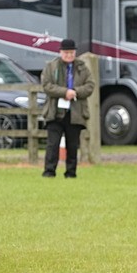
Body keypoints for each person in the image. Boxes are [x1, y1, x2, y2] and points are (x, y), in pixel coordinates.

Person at [41, 38, 95, 178]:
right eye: (66, 52)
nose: (69, 55)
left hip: (75, 112)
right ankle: (49, 171)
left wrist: (75, 92)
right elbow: (47, 85)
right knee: (53, 145)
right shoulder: (51, 67)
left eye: (71, 52)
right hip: (55, 112)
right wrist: (64, 92)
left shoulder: (82, 67)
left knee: (72, 145)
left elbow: (90, 86)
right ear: (60, 52)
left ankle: (71, 173)